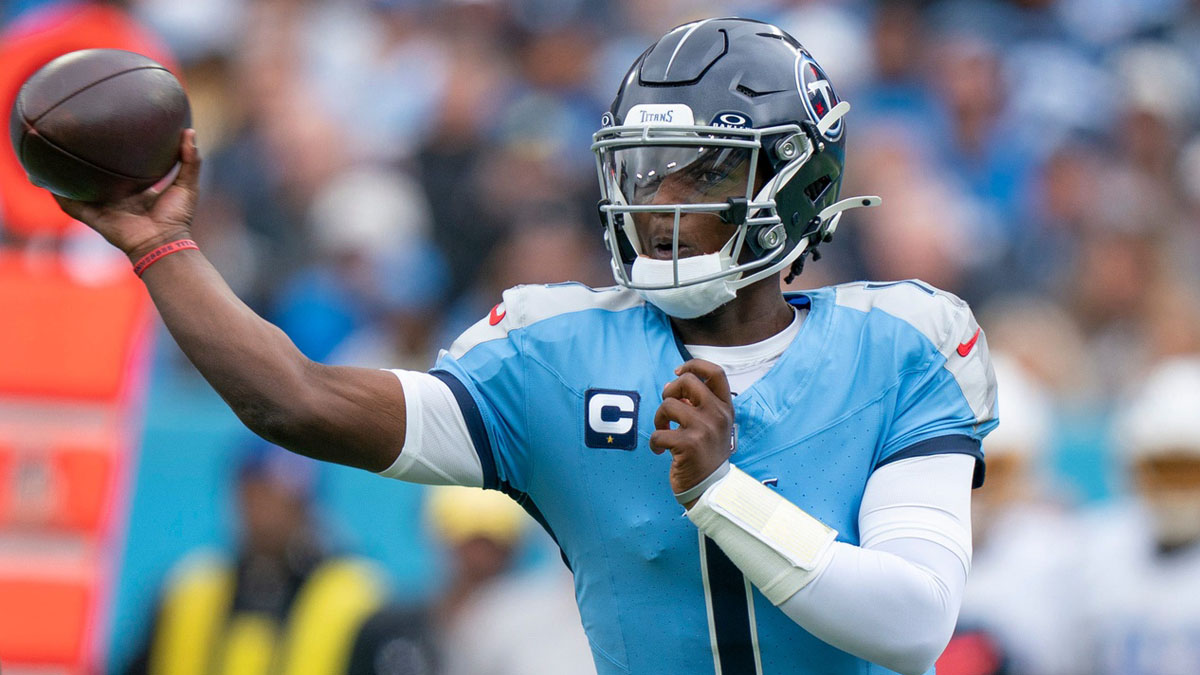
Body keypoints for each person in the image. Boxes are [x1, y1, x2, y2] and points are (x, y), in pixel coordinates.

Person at [53, 18, 997, 675]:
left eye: (702, 172)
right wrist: (158, 246)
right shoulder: (555, 354)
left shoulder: (904, 346)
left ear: (799, 186)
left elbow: (913, 623)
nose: (659, 203)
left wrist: (721, 491)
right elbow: (294, 398)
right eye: (645, 171)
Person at [124, 442, 437, 675]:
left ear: (309, 506)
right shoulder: (191, 587)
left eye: (280, 497)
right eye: (254, 493)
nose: (264, 512)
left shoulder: (358, 595)